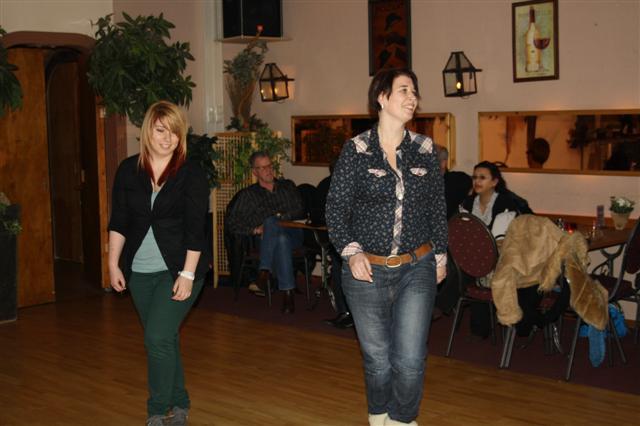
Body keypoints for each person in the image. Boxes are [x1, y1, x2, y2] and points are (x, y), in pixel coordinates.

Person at [327, 68, 447, 426]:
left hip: (417, 266)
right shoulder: (357, 150)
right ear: (382, 97)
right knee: (378, 359)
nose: (413, 98)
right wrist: (351, 252)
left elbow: (437, 208)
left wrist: (440, 255)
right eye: (404, 90)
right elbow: (335, 209)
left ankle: (402, 420)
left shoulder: (425, 149)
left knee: (409, 359)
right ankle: (378, 416)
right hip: (367, 271)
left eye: (415, 91)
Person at [108, 101, 210, 426]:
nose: (168, 138)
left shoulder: (191, 173)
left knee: (155, 338)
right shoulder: (128, 170)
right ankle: (180, 403)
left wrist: (188, 274)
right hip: (139, 271)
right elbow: (119, 220)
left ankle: (158, 410)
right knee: (165, 339)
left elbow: (195, 229)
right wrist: (113, 263)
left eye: (175, 132)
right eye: (161, 130)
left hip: (179, 269)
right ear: (147, 131)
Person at [225, 151, 305, 313]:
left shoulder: (287, 186)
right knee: (280, 240)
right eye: (263, 168)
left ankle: (263, 272)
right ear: (255, 172)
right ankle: (288, 294)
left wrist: (278, 218)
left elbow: (301, 210)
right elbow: (232, 223)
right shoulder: (248, 195)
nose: (268, 170)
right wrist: (254, 229)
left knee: (270, 221)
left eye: (269, 166)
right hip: (266, 239)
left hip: (293, 232)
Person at [315, 162, 353, 329]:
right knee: (339, 264)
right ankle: (345, 311)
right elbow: (318, 215)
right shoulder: (326, 186)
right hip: (337, 238)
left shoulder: (359, 184)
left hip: (362, 237)